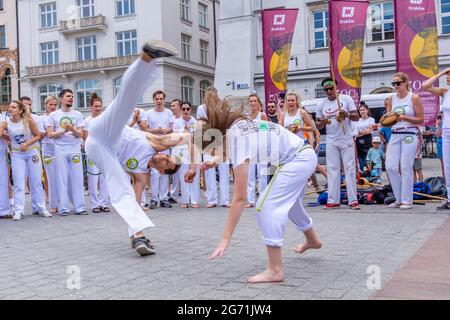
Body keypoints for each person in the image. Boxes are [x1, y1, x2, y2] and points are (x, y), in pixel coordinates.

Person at [184, 96, 322, 284]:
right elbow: (241, 147)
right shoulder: (237, 126)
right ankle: (312, 240)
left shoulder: (236, 141)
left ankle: (275, 270)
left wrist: (225, 239)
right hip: (302, 155)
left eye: (212, 152)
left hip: (297, 159)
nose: (217, 156)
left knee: (265, 207)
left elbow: (239, 198)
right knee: (291, 205)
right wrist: (214, 161)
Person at [84, 40, 181, 256]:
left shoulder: (142, 175)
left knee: (123, 190)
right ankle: (146, 58)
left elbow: (135, 200)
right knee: (125, 101)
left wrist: (133, 223)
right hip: (107, 131)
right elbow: (174, 139)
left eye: (167, 162)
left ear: (162, 171)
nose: (164, 157)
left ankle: (138, 237)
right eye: (168, 157)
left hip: (101, 150)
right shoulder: (154, 144)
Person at [0, 101, 51, 221]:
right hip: (17, 154)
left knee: (36, 180)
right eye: (10, 107)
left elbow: (38, 135)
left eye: (13, 107)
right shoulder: (5, 123)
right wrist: (10, 139)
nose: (10, 108)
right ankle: (18, 210)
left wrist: (27, 143)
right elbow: (2, 134)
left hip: (32, 152)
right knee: (18, 182)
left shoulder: (28, 121)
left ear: (20, 110)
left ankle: (41, 208)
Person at [315, 78, 360, 210]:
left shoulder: (346, 99)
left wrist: (346, 114)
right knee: (333, 169)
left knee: (349, 168)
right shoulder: (321, 104)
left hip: (346, 138)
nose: (329, 91)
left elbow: (356, 117)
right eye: (326, 89)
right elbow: (318, 124)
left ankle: (353, 201)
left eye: (331, 88)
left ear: (336, 87)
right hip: (331, 139)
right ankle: (333, 200)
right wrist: (322, 122)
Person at [384, 72, 424, 210]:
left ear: (406, 83)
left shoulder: (413, 97)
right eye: (393, 84)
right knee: (390, 166)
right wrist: (382, 122)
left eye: (398, 83)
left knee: (406, 166)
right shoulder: (391, 98)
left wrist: (405, 118)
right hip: (395, 133)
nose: (395, 86)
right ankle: (398, 198)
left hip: (409, 133)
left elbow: (421, 119)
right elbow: (388, 119)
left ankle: (407, 200)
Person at [47, 89, 86, 216]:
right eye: (68, 96)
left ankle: (79, 207)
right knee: (61, 178)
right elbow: (50, 134)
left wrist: (72, 129)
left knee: (77, 177)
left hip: (74, 148)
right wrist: (63, 131)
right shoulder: (53, 116)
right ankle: (64, 208)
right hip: (60, 149)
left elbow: (81, 134)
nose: (71, 98)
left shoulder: (78, 114)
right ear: (61, 99)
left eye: (72, 96)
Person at [197, 87, 230, 208]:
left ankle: (225, 200)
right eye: (208, 95)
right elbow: (200, 125)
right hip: (207, 140)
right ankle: (212, 199)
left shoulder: (222, 106)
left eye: (213, 95)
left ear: (216, 95)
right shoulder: (201, 108)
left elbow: (226, 123)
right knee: (209, 170)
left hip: (221, 139)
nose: (211, 97)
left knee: (224, 170)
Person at [423, 67, 450, 211]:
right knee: (448, 166)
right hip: (446, 132)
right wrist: (441, 72)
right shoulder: (445, 92)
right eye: (447, 75)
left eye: (449, 75)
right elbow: (425, 86)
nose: (447, 77)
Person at [145, 90, 174, 209]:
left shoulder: (168, 112)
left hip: (165, 145)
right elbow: (146, 129)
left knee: (164, 173)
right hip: (153, 146)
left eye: (161, 99)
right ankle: (153, 198)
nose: (159, 101)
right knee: (155, 173)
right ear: (153, 100)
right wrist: (155, 131)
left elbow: (172, 127)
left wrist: (166, 130)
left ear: (164, 100)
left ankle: (164, 198)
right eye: (157, 99)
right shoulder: (149, 113)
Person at [82, 93, 110, 213]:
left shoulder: (104, 119)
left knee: (104, 178)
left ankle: (104, 202)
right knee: (93, 178)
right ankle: (94, 204)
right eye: (96, 106)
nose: (98, 109)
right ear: (91, 107)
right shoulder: (87, 121)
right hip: (92, 152)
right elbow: (86, 138)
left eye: (100, 106)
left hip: (104, 152)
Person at [173, 102, 200, 208]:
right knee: (183, 174)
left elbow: (197, 138)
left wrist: (189, 134)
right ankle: (185, 200)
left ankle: (194, 200)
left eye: (187, 109)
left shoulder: (195, 122)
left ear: (190, 110)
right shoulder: (176, 122)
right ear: (181, 110)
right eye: (183, 109)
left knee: (194, 175)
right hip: (181, 150)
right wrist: (184, 131)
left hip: (193, 150)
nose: (185, 111)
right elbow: (175, 137)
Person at [246, 94, 269, 208]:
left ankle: (262, 198)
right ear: (248, 103)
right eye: (251, 101)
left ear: (258, 103)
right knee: (250, 175)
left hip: (261, 148)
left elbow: (265, 131)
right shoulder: (246, 117)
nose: (253, 103)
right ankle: (250, 200)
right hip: (250, 148)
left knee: (262, 175)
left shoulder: (262, 115)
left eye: (255, 101)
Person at [40, 96, 59, 214]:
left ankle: (60, 201)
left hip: (59, 147)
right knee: (48, 175)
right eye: (50, 104)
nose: (52, 107)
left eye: (54, 105)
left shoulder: (58, 117)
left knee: (60, 175)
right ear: (45, 105)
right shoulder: (40, 118)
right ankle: (51, 200)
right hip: (47, 148)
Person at [167, 98, 183, 204]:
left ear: (180, 107)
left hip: (185, 149)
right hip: (175, 149)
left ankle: (188, 195)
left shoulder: (185, 119)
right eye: (171, 106)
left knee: (185, 171)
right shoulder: (171, 119)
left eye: (174, 105)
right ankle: (174, 195)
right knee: (175, 172)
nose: (172, 107)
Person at [354, 102, 375, 171]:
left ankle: (371, 176)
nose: (362, 111)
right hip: (359, 143)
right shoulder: (357, 120)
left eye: (364, 110)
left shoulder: (371, 119)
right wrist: (363, 132)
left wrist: (360, 132)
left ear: (367, 110)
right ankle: (363, 176)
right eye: (361, 110)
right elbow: (356, 133)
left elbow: (369, 131)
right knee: (361, 160)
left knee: (368, 159)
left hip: (368, 141)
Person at [0, 110, 10, 218]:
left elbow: (11, 136)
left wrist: (3, 134)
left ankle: (3, 211)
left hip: (1, 154)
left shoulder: (4, 118)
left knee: (2, 182)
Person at [436, 111, 445, 179]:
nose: (441, 117)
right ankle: (445, 181)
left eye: (442, 116)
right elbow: (438, 135)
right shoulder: (440, 124)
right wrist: (439, 126)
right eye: (440, 116)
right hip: (440, 143)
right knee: (443, 165)